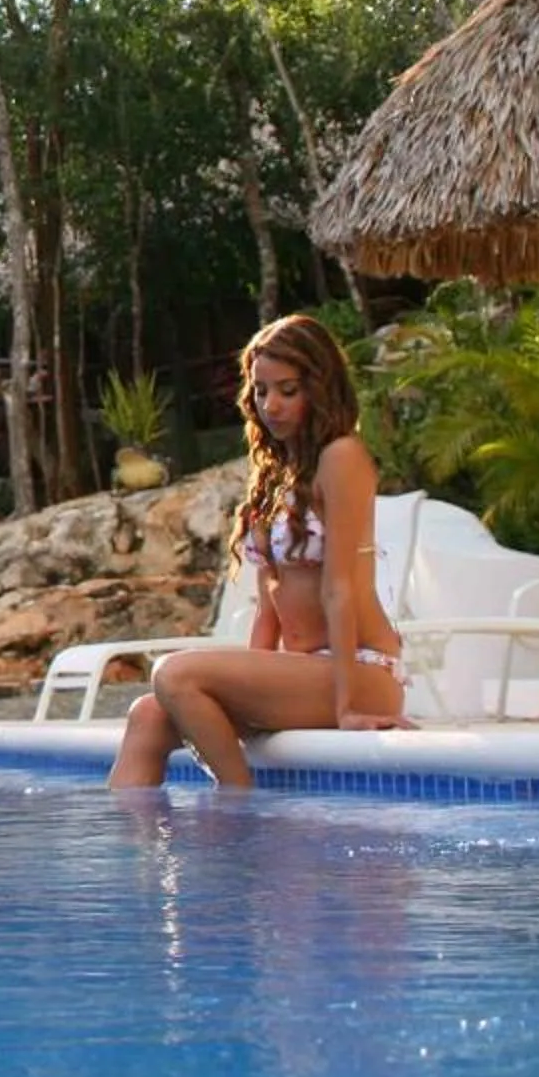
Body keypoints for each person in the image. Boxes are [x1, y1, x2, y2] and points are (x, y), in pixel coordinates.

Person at [108, 313, 408, 790]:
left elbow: (340, 588)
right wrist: (245, 688)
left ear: (320, 388)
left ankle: (239, 805)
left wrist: (350, 707)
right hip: (304, 672)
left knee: (173, 673)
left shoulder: (341, 456)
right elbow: (270, 608)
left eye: (288, 390)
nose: (271, 405)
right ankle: (124, 840)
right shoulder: (274, 478)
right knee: (147, 715)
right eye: (262, 390)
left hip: (358, 671)